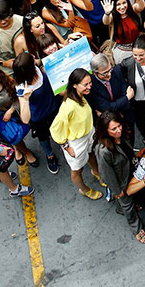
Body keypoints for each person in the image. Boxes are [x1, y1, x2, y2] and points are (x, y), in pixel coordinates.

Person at [95, 110, 145, 244]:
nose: (118, 130)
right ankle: (137, 229)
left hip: (130, 172)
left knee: (130, 200)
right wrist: (117, 191)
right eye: (113, 129)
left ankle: (120, 208)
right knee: (128, 205)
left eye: (119, 126)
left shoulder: (122, 136)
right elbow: (106, 175)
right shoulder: (103, 151)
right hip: (120, 181)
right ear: (105, 130)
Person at [50, 68, 104, 200]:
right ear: (74, 85)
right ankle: (85, 190)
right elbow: (55, 129)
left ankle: (95, 171)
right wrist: (66, 147)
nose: (89, 86)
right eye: (85, 85)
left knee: (91, 153)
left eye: (89, 83)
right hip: (76, 142)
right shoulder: (68, 106)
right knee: (77, 171)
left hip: (88, 133)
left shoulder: (80, 96)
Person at [13, 51, 62, 174]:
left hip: (54, 107)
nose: (34, 57)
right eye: (32, 59)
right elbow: (25, 119)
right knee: (43, 137)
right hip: (40, 118)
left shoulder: (38, 68)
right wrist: (25, 99)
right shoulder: (22, 88)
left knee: (60, 129)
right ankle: (49, 155)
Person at [88, 51, 136, 144]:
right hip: (109, 123)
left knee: (130, 138)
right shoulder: (91, 85)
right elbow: (107, 107)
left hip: (126, 114)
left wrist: (119, 102)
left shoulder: (116, 70)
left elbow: (124, 89)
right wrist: (126, 98)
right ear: (95, 73)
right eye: (104, 73)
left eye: (110, 70)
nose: (109, 74)